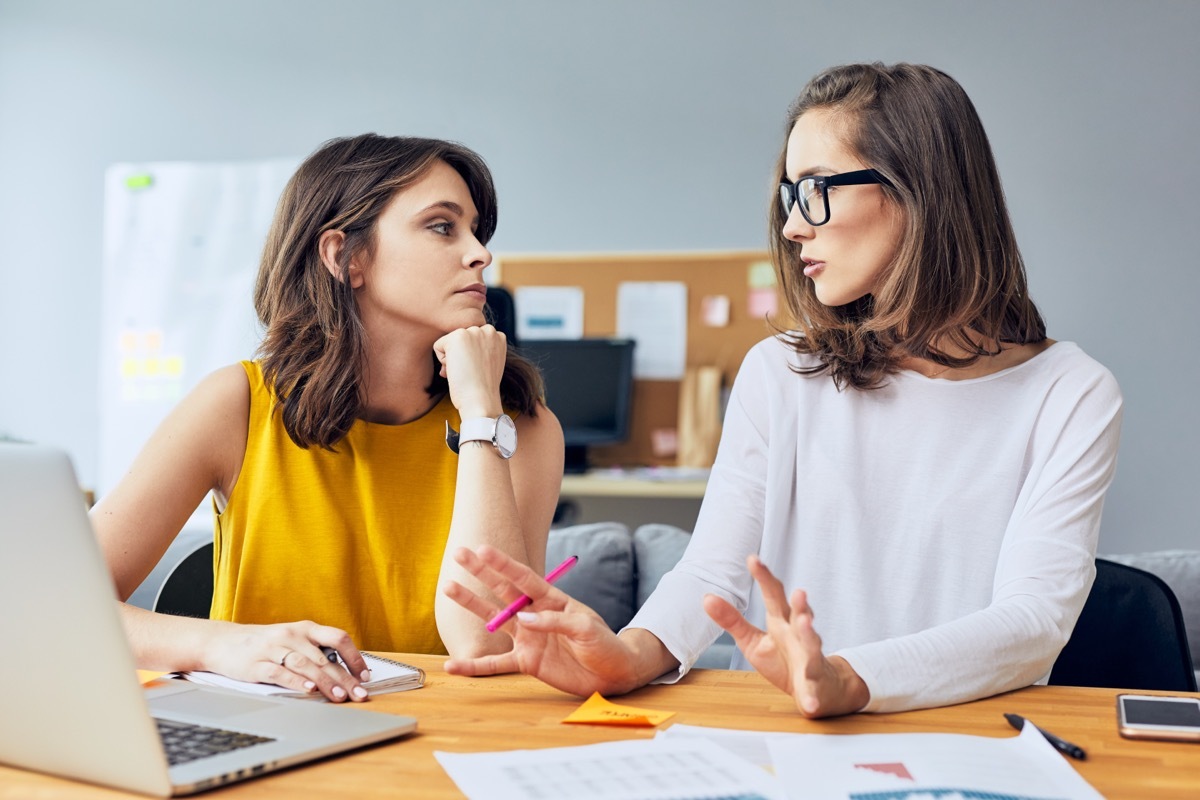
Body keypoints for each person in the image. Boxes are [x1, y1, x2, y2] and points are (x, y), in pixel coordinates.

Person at [443, 63, 1123, 717]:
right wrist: (629, 655)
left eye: (817, 188)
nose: (794, 225)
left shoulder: (1070, 394)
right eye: (789, 195)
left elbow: (1034, 620)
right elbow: (712, 574)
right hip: (784, 740)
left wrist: (852, 681)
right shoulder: (781, 372)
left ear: (920, 190)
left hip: (969, 740)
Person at [92, 134, 564, 702]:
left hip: (449, 745)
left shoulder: (521, 426)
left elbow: (484, 644)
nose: (480, 254)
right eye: (443, 227)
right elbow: (49, 597)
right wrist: (221, 644)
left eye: (477, 232)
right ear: (345, 256)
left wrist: (482, 418)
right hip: (267, 745)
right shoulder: (238, 404)